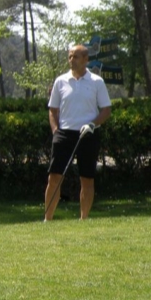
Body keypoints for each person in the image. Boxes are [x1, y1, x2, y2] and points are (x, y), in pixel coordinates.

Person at [44, 44, 112, 221]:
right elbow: (52, 110)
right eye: (70, 57)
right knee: (54, 177)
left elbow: (106, 110)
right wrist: (55, 131)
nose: (71, 60)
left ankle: (84, 218)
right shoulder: (60, 81)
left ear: (85, 60)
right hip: (64, 133)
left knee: (87, 178)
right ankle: (48, 218)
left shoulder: (97, 82)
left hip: (88, 134)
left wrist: (92, 124)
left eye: (75, 57)